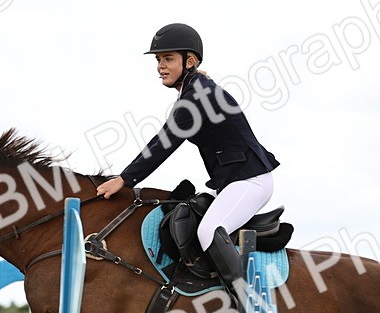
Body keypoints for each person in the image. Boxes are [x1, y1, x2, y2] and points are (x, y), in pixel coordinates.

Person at [95, 23, 280, 286]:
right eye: (159, 59)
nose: (160, 66)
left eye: (168, 59)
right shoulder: (194, 90)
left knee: (208, 232)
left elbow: (165, 142)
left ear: (189, 61)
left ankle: (247, 305)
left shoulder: (197, 95)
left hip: (250, 181)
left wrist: (124, 179)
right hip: (234, 181)